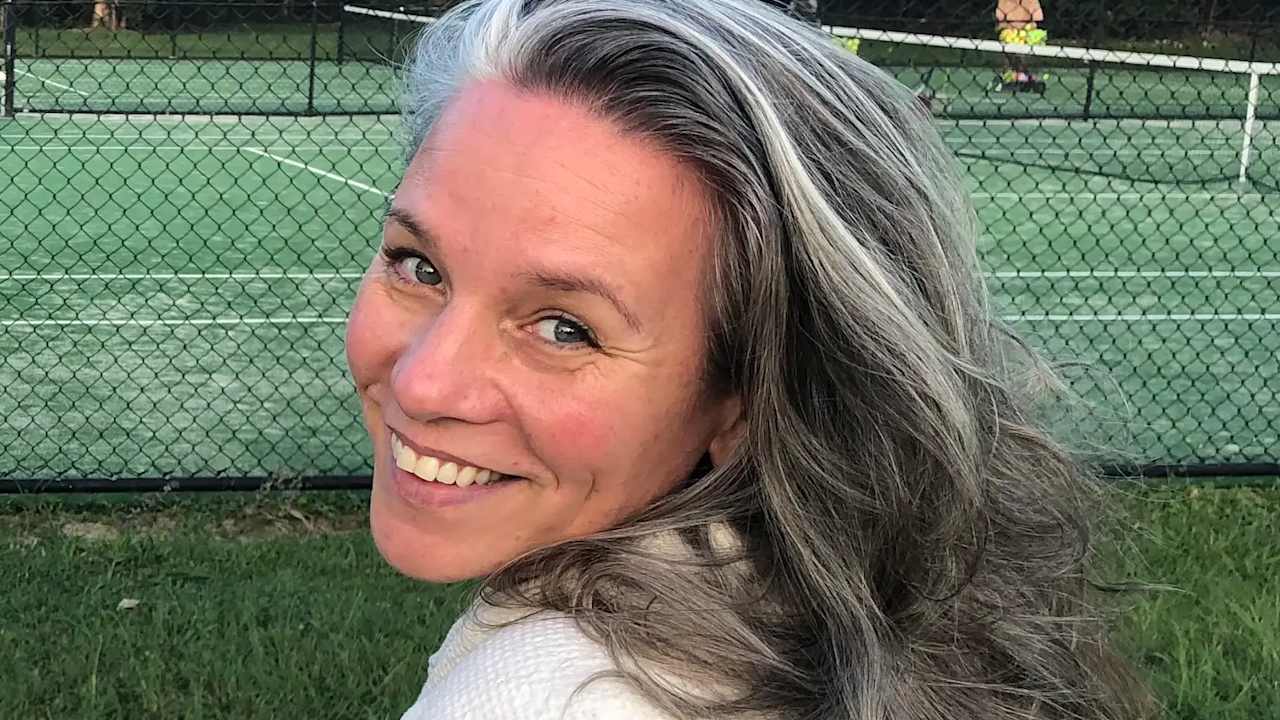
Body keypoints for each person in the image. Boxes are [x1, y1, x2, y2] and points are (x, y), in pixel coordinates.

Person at [343, 0, 1151, 717]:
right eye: (419, 267)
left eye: (564, 329)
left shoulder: (547, 697)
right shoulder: (849, 617)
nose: (423, 382)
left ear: (749, 396)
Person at [995, 0, 1048, 93]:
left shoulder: (1031, 1)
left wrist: (1024, 29)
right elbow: (1001, 22)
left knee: (1031, 40)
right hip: (1010, 32)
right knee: (1008, 39)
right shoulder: (1003, 2)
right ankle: (1014, 77)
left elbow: (1036, 20)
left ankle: (1026, 77)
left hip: (1027, 32)